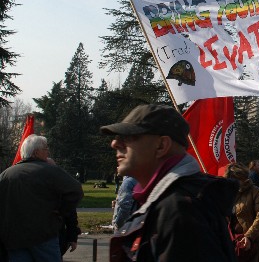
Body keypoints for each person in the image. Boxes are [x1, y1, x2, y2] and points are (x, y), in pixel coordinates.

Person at [101, 104, 239, 261]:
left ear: (161, 146)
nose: (115, 144)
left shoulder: (179, 210)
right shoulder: (173, 203)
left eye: (128, 137)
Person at [0, 134, 83, 262]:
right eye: (45, 148)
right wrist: (62, 211)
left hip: (14, 238)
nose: (48, 151)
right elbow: (76, 190)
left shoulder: (6, 175)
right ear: (36, 152)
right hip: (43, 236)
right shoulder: (49, 171)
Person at [224, 162, 259, 262]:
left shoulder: (256, 192)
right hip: (232, 243)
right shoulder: (227, 194)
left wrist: (249, 236)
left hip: (253, 242)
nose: (232, 182)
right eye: (230, 178)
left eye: (235, 178)